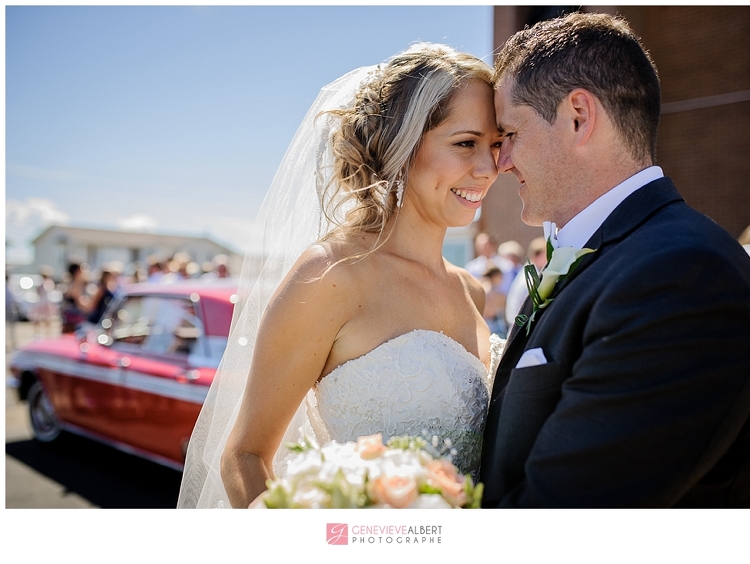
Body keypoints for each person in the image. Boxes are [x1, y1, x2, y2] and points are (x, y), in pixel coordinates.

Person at [178, 43, 505, 509]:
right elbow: (245, 456)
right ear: (403, 146)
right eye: (466, 143)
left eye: (495, 145)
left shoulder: (472, 289)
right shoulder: (332, 275)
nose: (488, 168)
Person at [480, 12, 750, 508]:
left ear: (578, 117)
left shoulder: (680, 276)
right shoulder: (629, 257)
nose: (499, 161)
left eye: (510, 134)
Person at [504, 236, 547, 328]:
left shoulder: (529, 273)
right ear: (536, 256)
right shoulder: (530, 278)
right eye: (546, 254)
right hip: (520, 328)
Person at [60, 262, 89, 334]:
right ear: (77, 272)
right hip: (73, 320)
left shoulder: (70, 283)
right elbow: (81, 304)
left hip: (70, 318)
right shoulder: (75, 286)